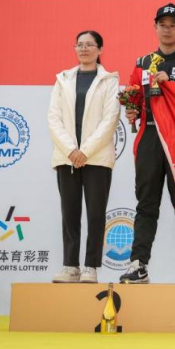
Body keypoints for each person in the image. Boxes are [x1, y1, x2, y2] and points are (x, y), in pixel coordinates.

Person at [120, 3, 175, 284]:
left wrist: (171, 84)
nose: (167, 30)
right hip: (149, 138)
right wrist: (131, 108)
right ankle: (138, 264)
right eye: (163, 25)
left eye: (173, 25)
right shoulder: (142, 63)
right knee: (146, 204)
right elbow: (132, 95)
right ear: (155, 27)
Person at [47, 30, 120, 283]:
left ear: (100, 49)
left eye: (90, 45)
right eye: (80, 44)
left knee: (96, 214)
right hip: (66, 157)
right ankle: (70, 265)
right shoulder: (63, 79)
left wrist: (85, 151)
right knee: (69, 213)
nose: (84, 49)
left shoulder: (109, 80)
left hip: (97, 158)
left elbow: (110, 119)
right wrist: (71, 150)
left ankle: (91, 266)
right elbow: (53, 118)